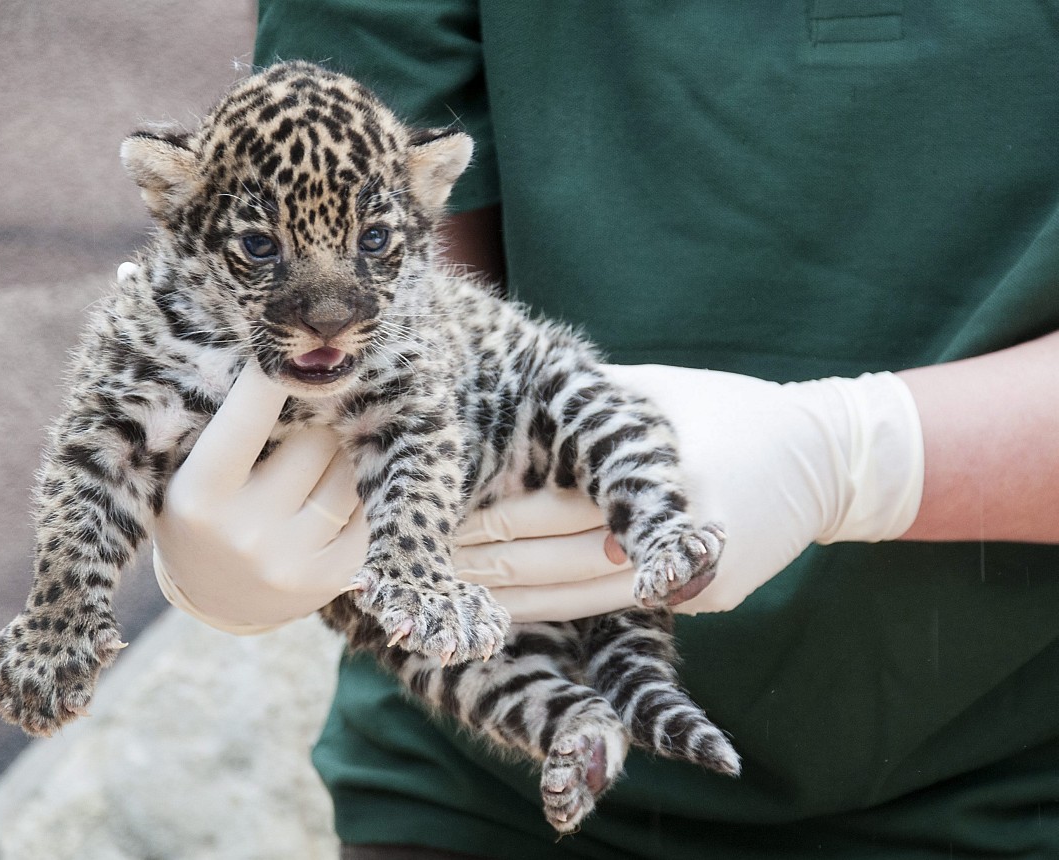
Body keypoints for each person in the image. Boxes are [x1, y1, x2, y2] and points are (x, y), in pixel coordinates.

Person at [149, 4, 1059, 857]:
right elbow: (389, 301)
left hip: (1016, 780)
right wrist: (262, 496)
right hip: (486, 788)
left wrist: (861, 455)